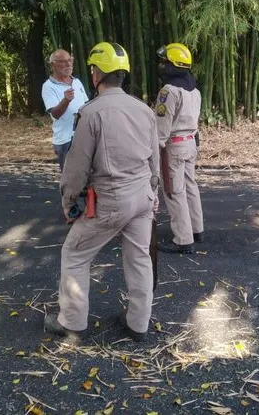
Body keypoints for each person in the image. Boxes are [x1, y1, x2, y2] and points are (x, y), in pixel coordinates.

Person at [44, 42, 160, 343]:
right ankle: (138, 323)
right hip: (142, 197)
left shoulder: (92, 113)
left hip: (112, 199)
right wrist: (153, 193)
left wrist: (69, 201)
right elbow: (153, 159)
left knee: (74, 253)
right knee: (139, 259)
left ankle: (71, 322)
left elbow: (76, 168)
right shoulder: (143, 110)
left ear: (96, 74)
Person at [153, 43, 204, 254]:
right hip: (191, 143)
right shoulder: (194, 90)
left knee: (175, 191)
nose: (161, 65)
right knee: (190, 186)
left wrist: (154, 150)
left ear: (172, 65)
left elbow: (161, 129)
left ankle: (183, 240)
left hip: (174, 147)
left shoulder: (169, 92)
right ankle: (196, 229)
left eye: (164, 62)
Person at [41, 49, 89, 172]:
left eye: (69, 60)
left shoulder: (77, 82)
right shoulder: (48, 86)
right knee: (70, 179)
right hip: (65, 140)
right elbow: (55, 114)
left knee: (86, 178)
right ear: (53, 64)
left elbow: (86, 106)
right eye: (62, 62)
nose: (68, 64)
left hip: (83, 137)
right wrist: (65, 100)